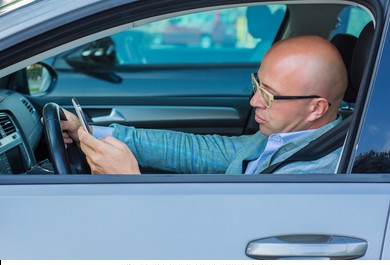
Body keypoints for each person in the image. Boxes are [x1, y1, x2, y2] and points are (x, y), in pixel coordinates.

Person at [61, 35, 347, 174]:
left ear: (316, 108)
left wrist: (129, 182)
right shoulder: (285, 137)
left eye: (268, 95)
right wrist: (89, 133)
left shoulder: (313, 172)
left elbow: (220, 245)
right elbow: (203, 151)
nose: (253, 101)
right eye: (257, 85)